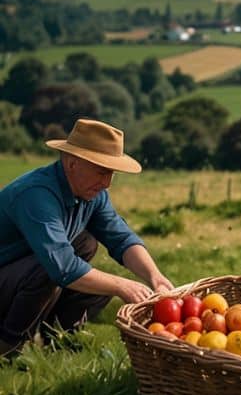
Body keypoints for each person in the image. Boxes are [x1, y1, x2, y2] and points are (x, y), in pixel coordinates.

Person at [0, 118, 173, 357]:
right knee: (52, 266)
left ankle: (58, 341)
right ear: (72, 163)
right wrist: (123, 285)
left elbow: (120, 238)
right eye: (102, 171)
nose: (108, 183)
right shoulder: (36, 195)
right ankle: (8, 347)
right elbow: (63, 268)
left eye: (112, 173)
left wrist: (156, 277)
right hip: (6, 276)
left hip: (19, 278)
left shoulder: (92, 193)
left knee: (86, 244)